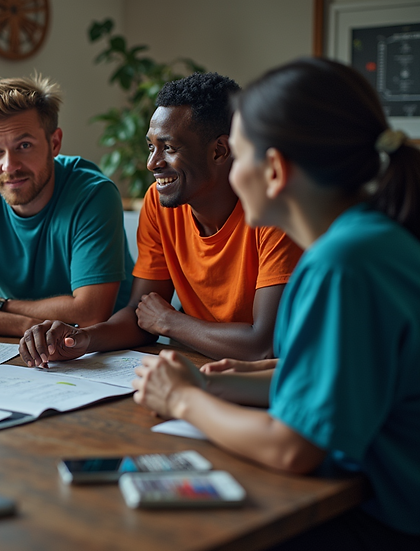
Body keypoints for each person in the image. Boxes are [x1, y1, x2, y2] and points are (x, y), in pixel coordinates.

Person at [132, 58, 420, 548]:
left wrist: (183, 399)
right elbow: (343, 376)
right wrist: (213, 381)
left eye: (238, 155)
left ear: (274, 170)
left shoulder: (340, 264)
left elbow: (293, 450)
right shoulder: (372, 242)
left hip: (385, 518)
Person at [19, 73, 304, 366]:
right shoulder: (159, 202)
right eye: (151, 147)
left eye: (169, 148)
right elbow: (141, 314)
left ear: (219, 151)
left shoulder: (272, 211)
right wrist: (83, 339)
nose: (152, 163)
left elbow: (264, 346)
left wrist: (170, 321)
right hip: (204, 366)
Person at [0, 75, 134, 337]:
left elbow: (90, 313)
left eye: (24, 145)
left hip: (111, 350)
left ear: (54, 143)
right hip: (31, 345)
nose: (9, 166)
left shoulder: (93, 194)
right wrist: (26, 327)